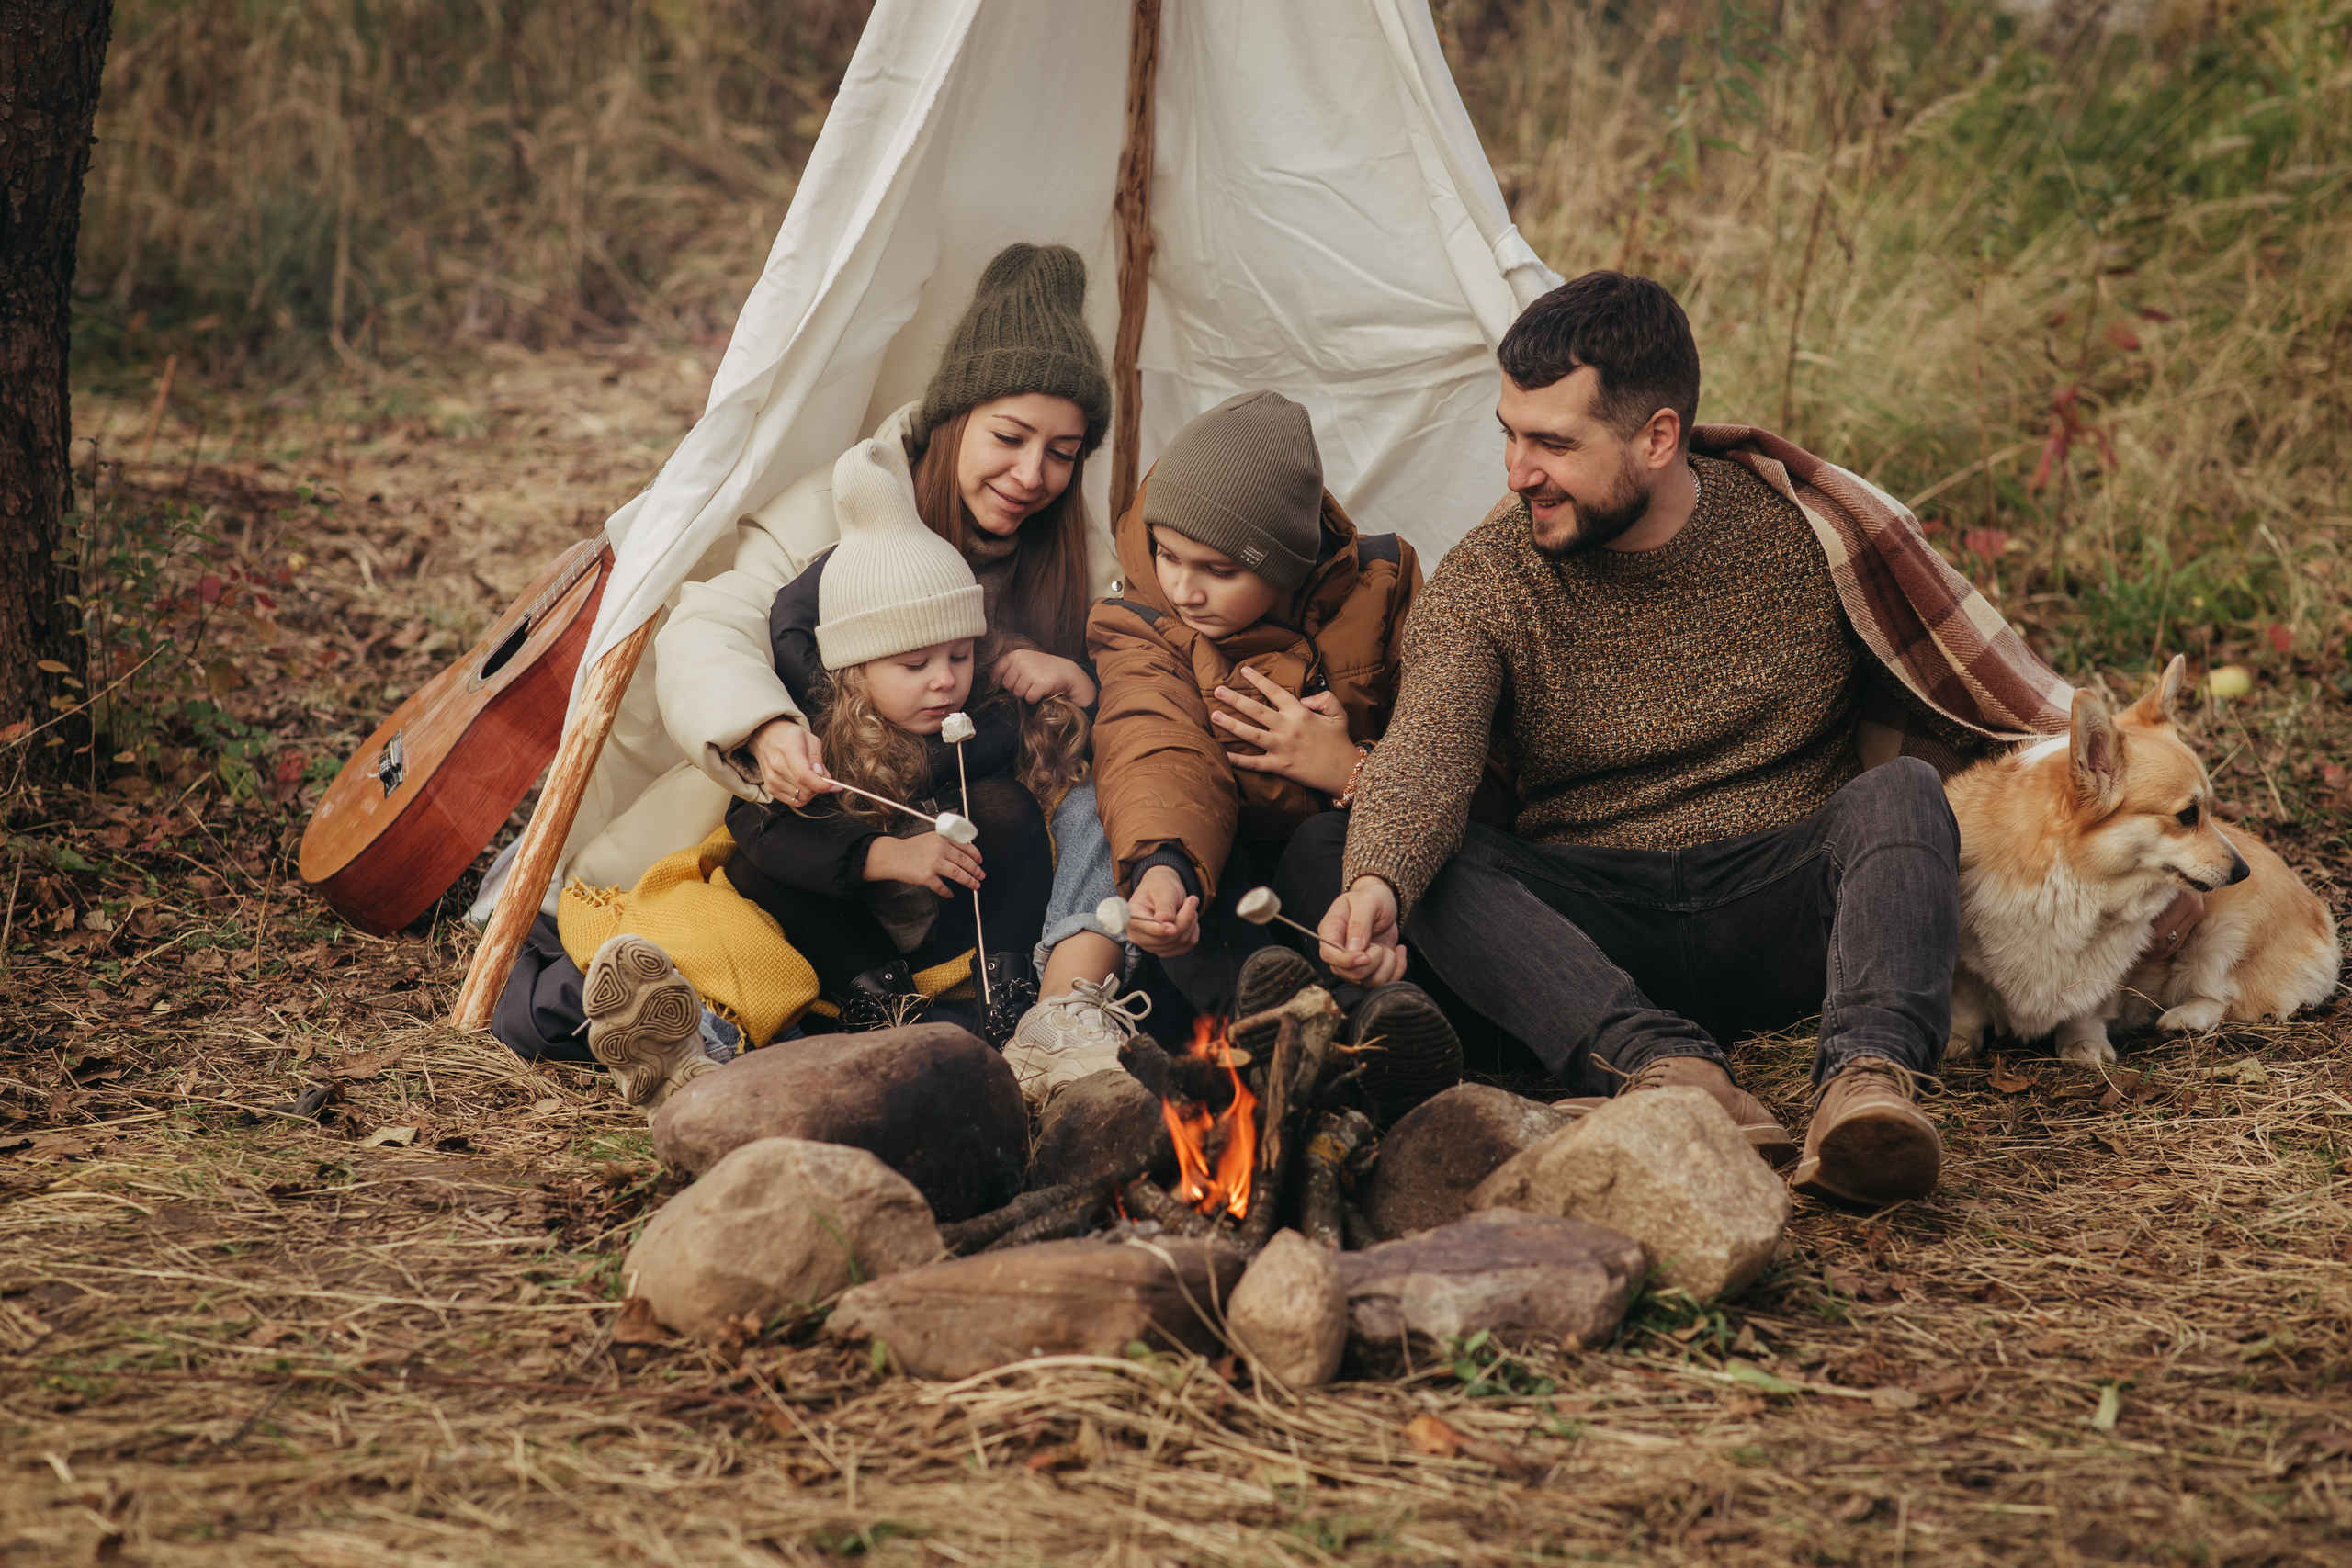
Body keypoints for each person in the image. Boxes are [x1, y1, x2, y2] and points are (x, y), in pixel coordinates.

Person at [1317, 270, 1995, 1207]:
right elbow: (1427, 744)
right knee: (1434, 863)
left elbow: (1977, 704)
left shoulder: (1802, 535)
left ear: (1657, 436)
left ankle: (1865, 1090)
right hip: (1592, 929)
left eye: (1552, 442)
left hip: (1779, 904)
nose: (1517, 471)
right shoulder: (1489, 580)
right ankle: (1665, 1068)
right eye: (1509, 435)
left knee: (1905, 794)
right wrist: (1374, 879)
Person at [495, 243, 1147, 1087]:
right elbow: (712, 625)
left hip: (967, 867)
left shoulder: (1074, 555)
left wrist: (1080, 689)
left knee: (1083, 817)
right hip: (823, 831)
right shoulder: (836, 512)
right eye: (1010, 437)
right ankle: (707, 1032)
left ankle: (1044, 1010)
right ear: (956, 418)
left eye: (1062, 452)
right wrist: (762, 726)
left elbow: (1134, 699)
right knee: (739, 924)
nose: (1032, 475)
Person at [1083, 390, 1462, 1122]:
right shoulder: (1144, 618)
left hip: (1345, 872)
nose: (1184, 586)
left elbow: (1447, 741)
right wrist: (1162, 862)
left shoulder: (1383, 589)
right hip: (1223, 879)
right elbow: (1155, 742)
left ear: (1287, 563)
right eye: (1167, 554)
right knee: (1191, 888)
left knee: (1329, 844)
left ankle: (1379, 1034)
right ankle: (1281, 1043)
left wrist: (1350, 765)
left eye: (1219, 569)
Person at [720, 439, 1086, 1041]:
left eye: (961, 654)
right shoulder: (819, 734)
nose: (945, 679)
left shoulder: (986, 711)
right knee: (753, 867)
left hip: (956, 921)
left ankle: (1005, 991)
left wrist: (1078, 686)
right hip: (863, 926)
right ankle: (882, 1006)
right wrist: (880, 856)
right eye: (915, 664)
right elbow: (757, 826)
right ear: (855, 670)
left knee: (1005, 805)